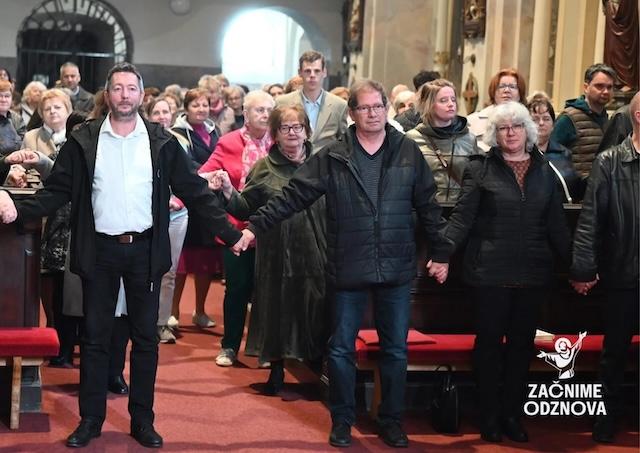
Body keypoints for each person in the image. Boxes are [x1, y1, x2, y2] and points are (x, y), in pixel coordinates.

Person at [0, 62, 243, 449]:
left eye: (132, 88)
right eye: (118, 88)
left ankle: (143, 421)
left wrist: (231, 235)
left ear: (141, 95)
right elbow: (57, 191)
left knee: (145, 340)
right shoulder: (84, 139)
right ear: (107, 94)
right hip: (99, 251)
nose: (125, 95)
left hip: (145, 251)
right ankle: (91, 419)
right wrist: (16, 208)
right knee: (95, 339)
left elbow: (195, 192)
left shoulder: (162, 142)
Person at [237, 79, 449, 448]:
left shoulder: (407, 151)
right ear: (351, 113)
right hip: (348, 262)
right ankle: (342, 419)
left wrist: (441, 252)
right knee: (339, 349)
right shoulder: (334, 155)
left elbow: (428, 205)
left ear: (386, 109)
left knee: (395, 349)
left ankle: (391, 421)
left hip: (395, 264)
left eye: (378, 106)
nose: (373, 114)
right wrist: (254, 227)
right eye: (364, 108)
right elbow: (293, 196)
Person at [444, 101, 571, 443]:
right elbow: (462, 218)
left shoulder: (545, 170)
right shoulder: (480, 168)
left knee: (521, 347)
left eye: (516, 126)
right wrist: (442, 253)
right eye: (503, 128)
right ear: (495, 134)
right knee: (488, 345)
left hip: (532, 272)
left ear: (527, 131)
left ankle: (512, 415)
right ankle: (488, 415)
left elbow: (557, 226)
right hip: (489, 272)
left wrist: (579, 266)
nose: (510, 133)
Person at [212, 105, 327, 394]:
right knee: (277, 308)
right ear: (275, 134)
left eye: (298, 127)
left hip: (316, 250)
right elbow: (245, 208)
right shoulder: (264, 167)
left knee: (314, 308)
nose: (292, 133)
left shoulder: (322, 163)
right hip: (277, 253)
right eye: (285, 128)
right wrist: (228, 192)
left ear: (307, 131)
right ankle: (276, 371)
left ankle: (314, 372)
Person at [569, 91, 640, 444]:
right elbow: (591, 219)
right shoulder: (610, 161)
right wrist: (583, 267)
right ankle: (608, 416)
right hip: (623, 269)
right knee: (615, 352)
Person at [198, 90, 275, 367]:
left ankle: (265, 349)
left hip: (272, 228)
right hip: (238, 229)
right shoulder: (229, 141)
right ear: (246, 113)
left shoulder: (279, 141)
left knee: (267, 293)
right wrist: (214, 179)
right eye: (259, 110)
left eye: (269, 110)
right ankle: (229, 346)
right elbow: (203, 174)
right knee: (237, 290)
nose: (265, 115)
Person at [171, 88, 223, 329]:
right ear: (186, 108)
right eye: (196, 105)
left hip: (210, 202)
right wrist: (208, 174)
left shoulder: (215, 131)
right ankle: (173, 312)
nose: (201, 109)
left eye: (205, 105)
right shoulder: (177, 134)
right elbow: (185, 165)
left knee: (205, 261)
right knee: (181, 263)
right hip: (188, 202)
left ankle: (200, 311)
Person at [146, 96, 186, 343]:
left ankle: (161, 323)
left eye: (166, 111)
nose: (162, 116)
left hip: (178, 213)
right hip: (150, 213)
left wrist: (177, 200)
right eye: (156, 112)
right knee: (145, 269)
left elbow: (189, 177)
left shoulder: (181, 141)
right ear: (148, 116)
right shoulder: (142, 140)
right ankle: (141, 321)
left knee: (169, 271)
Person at [406, 79, 479, 202]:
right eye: (443, 100)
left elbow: (475, 179)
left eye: (453, 99)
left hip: (460, 207)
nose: (451, 104)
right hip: (425, 207)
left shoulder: (469, 139)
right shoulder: (412, 138)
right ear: (429, 104)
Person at [551, 63, 617, 178]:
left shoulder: (606, 118)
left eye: (609, 87)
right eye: (599, 86)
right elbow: (552, 155)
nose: (606, 91)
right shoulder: (568, 118)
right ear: (586, 87)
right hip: (577, 186)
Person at [276, 50, 348, 154]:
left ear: (324, 72)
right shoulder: (283, 102)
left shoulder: (339, 105)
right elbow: (275, 137)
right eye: (307, 71)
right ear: (300, 72)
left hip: (325, 162)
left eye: (317, 71)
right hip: (291, 161)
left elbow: (343, 143)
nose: (312, 75)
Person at [527, 93, 582, 202]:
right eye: (535, 119)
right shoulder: (519, 154)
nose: (541, 123)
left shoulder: (564, 153)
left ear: (553, 125)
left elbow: (573, 186)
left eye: (546, 119)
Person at [467, 68, 527, 151]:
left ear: (520, 93)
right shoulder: (472, 121)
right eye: (501, 86)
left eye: (512, 87)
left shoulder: (528, 123)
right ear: (493, 91)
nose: (507, 90)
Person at [0, 79, 25, 156]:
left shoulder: (17, 118)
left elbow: (24, 143)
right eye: (0, 96)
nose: (3, 100)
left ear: (12, 98)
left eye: (7, 96)